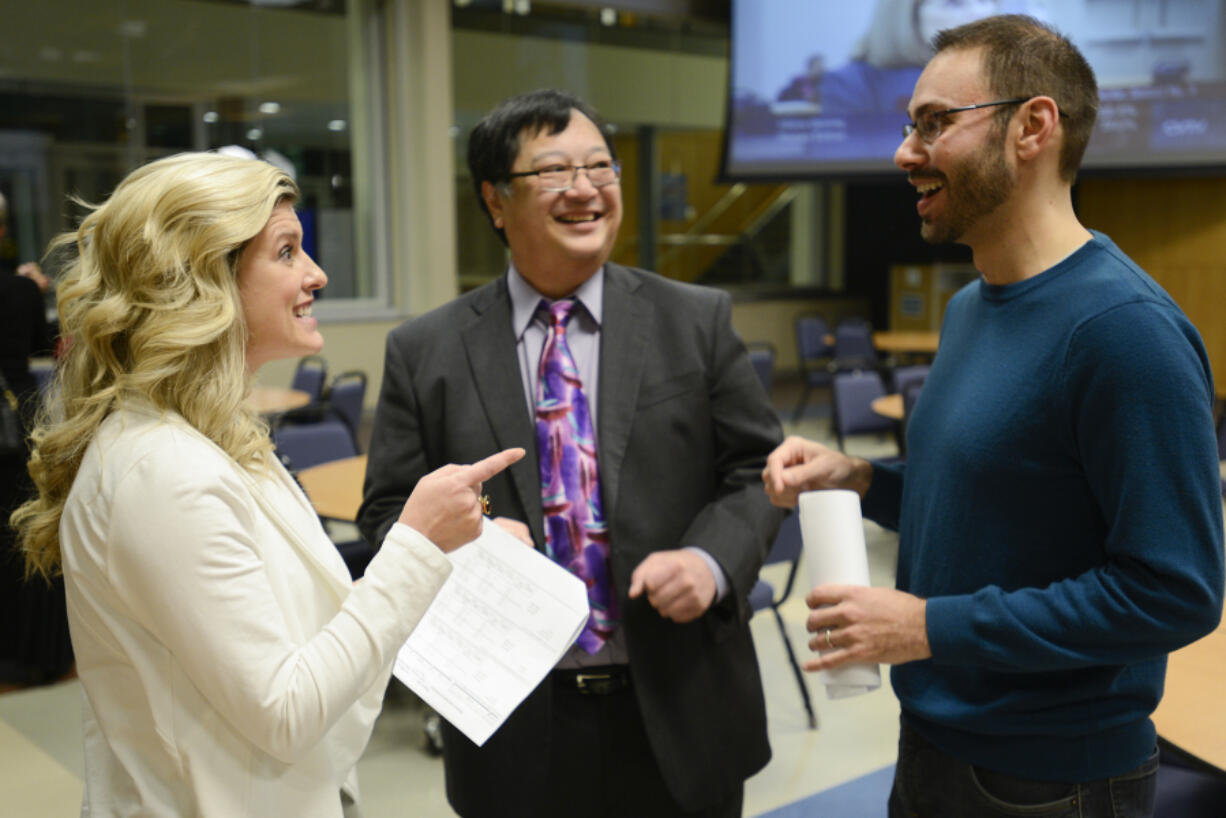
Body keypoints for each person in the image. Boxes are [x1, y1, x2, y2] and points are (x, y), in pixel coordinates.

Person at [763, 15, 1224, 818]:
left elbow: (1173, 592)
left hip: (1052, 782)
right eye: (911, 126)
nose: (906, 153)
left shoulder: (1125, 332)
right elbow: (999, 503)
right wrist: (863, 479)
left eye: (936, 124)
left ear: (1033, 127)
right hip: (934, 743)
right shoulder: (974, 306)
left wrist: (930, 628)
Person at [11, 151, 524, 817]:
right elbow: (284, 711)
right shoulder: (163, 472)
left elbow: (314, 636)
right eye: (286, 253)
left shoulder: (212, 440)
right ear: (203, 279)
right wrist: (414, 546)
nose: (317, 274)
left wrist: (445, 560)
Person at [358, 89, 785, 818]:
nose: (586, 189)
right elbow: (387, 515)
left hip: (682, 709)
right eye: (555, 171)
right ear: (495, 202)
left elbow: (756, 473)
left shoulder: (695, 320)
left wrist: (710, 562)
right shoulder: (426, 351)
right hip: (514, 724)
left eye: (601, 167)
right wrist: (466, 546)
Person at [0, 190, 71, 692]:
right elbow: (41, 344)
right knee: (23, 531)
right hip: (12, 419)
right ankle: (35, 654)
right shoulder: (18, 291)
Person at [819, 0, 1000, 116]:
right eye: (952, 3)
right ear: (907, 16)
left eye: (984, 0)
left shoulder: (1008, 78)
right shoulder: (850, 85)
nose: (977, 15)